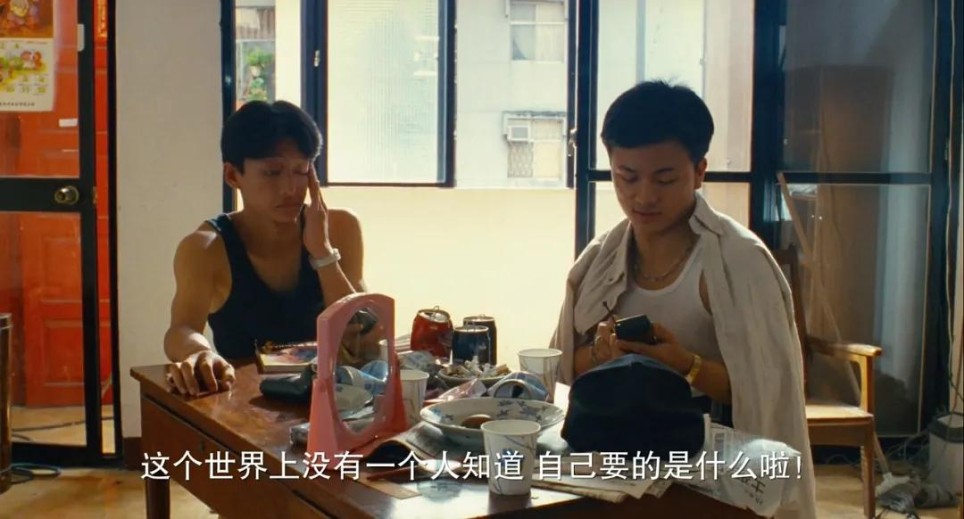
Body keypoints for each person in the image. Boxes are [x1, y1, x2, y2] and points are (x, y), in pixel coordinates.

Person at [549, 81, 816, 518]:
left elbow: (765, 391)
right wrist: (603, 354)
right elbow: (563, 369)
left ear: (699, 171)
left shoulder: (738, 261)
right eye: (627, 177)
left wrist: (685, 364)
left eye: (665, 178)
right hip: (610, 458)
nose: (644, 196)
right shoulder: (601, 258)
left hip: (707, 464)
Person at [163, 100, 377, 396]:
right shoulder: (205, 248)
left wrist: (323, 252)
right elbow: (181, 329)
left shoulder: (340, 228)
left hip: (332, 396)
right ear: (232, 175)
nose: (290, 188)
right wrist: (200, 352)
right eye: (272, 172)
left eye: (300, 170)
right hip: (246, 401)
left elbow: (360, 336)